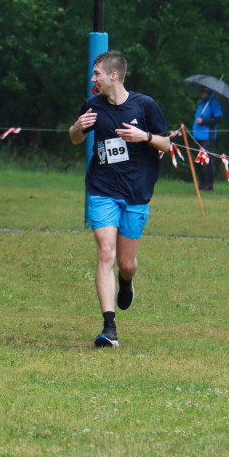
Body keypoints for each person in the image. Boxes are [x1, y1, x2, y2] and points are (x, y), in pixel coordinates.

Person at [69, 50, 170, 348]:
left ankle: (126, 281)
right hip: (102, 190)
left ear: (113, 75)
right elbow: (75, 137)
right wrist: (77, 127)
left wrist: (145, 137)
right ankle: (109, 328)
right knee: (105, 253)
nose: (93, 78)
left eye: (96, 73)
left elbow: (167, 143)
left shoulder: (145, 105)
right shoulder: (93, 106)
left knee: (126, 262)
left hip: (137, 193)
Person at [192, 88, 222, 190]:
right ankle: (201, 183)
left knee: (207, 161)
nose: (202, 93)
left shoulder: (213, 103)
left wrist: (204, 121)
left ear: (208, 92)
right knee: (198, 160)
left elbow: (218, 119)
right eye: (201, 91)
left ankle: (209, 184)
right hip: (197, 136)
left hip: (207, 137)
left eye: (204, 91)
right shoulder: (201, 104)